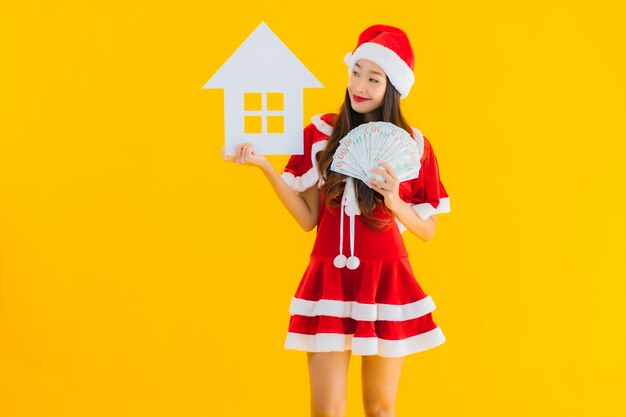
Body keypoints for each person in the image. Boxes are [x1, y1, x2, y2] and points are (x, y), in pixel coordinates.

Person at [223, 24, 451, 417]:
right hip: (328, 277)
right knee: (326, 411)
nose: (359, 85)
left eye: (373, 78)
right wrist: (264, 166)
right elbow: (308, 218)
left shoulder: (413, 144)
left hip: (385, 281)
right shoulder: (321, 133)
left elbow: (427, 231)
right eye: (355, 72)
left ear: (392, 86)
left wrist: (395, 201)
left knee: (379, 408)